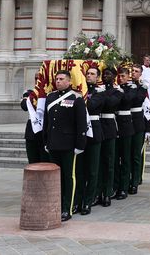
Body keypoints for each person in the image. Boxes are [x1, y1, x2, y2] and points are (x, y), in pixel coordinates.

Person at [42, 70, 88, 222]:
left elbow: (81, 124)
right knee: (56, 178)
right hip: (54, 144)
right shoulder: (51, 97)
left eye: (61, 79)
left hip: (69, 145)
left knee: (69, 177)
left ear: (69, 81)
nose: (58, 81)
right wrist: (46, 141)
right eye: (56, 79)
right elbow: (46, 122)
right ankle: (56, 205)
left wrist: (80, 144)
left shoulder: (76, 98)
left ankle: (67, 208)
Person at [75, 66, 105, 215]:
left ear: (97, 77)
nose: (89, 76)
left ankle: (88, 201)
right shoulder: (80, 91)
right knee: (79, 170)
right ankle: (78, 200)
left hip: (94, 131)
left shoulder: (100, 92)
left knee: (93, 170)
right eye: (87, 74)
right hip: (81, 132)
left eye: (92, 74)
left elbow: (92, 105)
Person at [97, 67, 121, 207]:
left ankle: (107, 193)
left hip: (110, 127)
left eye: (108, 74)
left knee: (109, 161)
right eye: (104, 74)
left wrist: (102, 94)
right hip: (98, 125)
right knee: (99, 162)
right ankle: (98, 192)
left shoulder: (117, 91)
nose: (106, 76)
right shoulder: (99, 90)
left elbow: (111, 103)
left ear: (114, 76)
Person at [113, 67, 134, 200]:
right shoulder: (115, 89)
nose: (120, 78)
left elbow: (128, 100)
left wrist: (120, 92)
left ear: (128, 76)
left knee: (125, 158)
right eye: (119, 76)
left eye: (123, 76)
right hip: (115, 125)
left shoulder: (131, 88)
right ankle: (115, 186)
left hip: (126, 125)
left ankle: (124, 188)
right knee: (115, 158)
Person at [128, 65, 150, 193]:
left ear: (140, 74)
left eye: (136, 72)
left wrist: (148, 129)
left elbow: (142, 104)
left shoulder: (142, 88)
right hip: (126, 123)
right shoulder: (125, 87)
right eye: (132, 71)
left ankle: (135, 181)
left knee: (136, 154)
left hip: (137, 123)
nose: (133, 73)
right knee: (126, 155)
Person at [20, 86, 47, 164]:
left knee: (44, 162)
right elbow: (24, 106)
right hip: (31, 132)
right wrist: (25, 97)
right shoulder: (30, 93)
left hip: (44, 131)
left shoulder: (50, 92)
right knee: (32, 161)